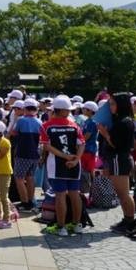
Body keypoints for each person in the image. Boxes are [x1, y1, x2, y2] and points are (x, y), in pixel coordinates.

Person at [41, 96, 85, 236]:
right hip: (74, 164)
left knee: (60, 195)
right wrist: (76, 159)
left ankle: (61, 227)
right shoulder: (74, 125)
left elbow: (46, 147)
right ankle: (77, 225)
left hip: (56, 165)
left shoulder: (46, 126)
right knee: (74, 194)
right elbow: (82, 144)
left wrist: (65, 157)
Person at [98, 93, 136, 235]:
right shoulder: (121, 120)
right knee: (122, 194)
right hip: (117, 159)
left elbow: (116, 144)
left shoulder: (124, 122)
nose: (111, 107)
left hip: (119, 158)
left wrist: (105, 134)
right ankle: (127, 219)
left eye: (113, 104)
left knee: (123, 194)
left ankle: (130, 222)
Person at [10, 99, 42, 211]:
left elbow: (12, 133)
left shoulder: (21, 120)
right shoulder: (39, 121)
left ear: (25, 109)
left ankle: (24, 202)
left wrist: (14, 119)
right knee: (30, 177)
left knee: (19, 178)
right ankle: (31, 201)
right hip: (35, 154)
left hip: (23, 153)